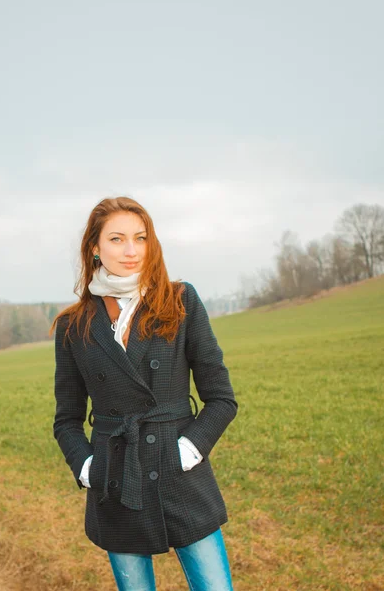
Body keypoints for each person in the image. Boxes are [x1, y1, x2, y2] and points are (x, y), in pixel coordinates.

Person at [50, 196, 238, 590]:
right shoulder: (74, 325)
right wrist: (88, 468)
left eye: (141, 237)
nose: (131, 250)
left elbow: (221, 397)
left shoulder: (180, 300)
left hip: (181, 476)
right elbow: (67, 419)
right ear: (95, 248)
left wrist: (186, 451)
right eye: (117, 239)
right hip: (116, 480)